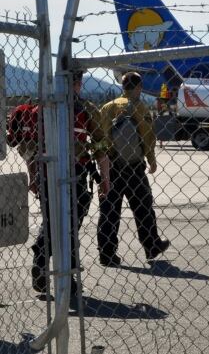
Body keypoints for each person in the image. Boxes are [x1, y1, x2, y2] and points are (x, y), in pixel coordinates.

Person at [17, 71, 110, 297]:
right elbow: (101, 148)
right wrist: (105, 179)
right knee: (69, 226)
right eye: (78, 82)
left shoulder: (43, 108)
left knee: (51, 220)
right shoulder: (85, 109)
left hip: (47, 172)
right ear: (77, 83)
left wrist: (34, 176)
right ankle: (68, 279)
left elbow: (31, 149)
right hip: (74, 173)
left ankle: (42, 258)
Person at [97, 71, 170, 266]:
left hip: (111, 165)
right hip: (134, 167)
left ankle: (107, 253)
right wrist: (151, 159)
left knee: (109, 210)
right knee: (143, 207)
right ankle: (151, 245)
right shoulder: (139, 106)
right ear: (138, 87)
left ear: (123, 87)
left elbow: (101, 136)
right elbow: (147, 136)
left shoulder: (107, 107)